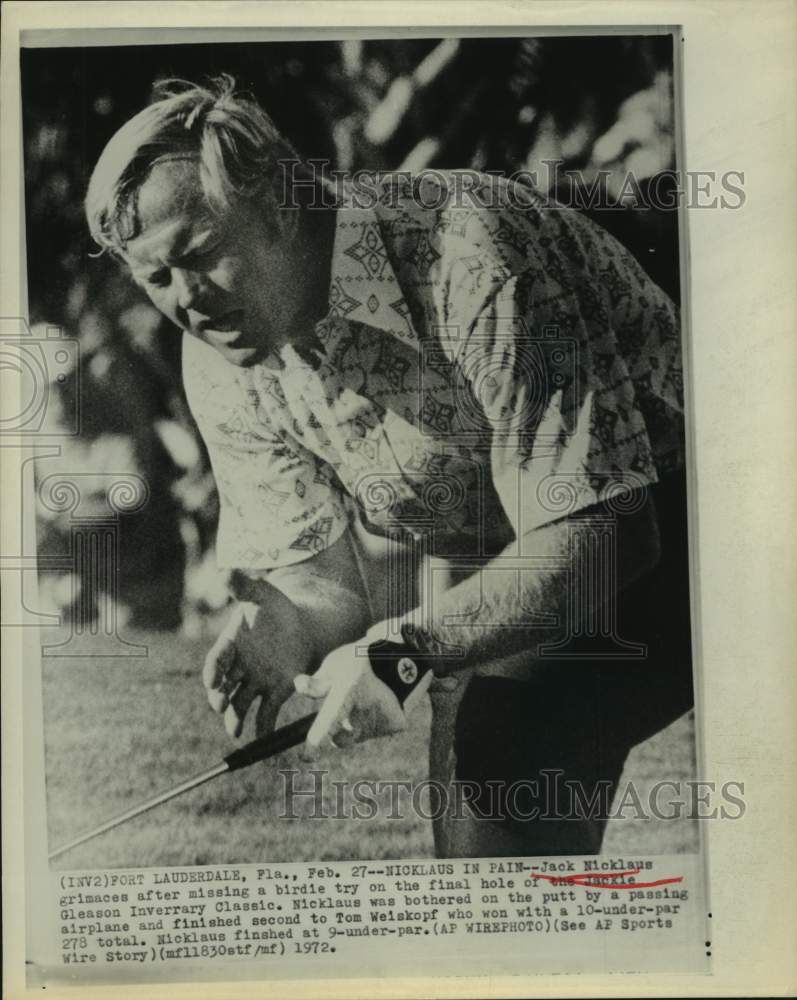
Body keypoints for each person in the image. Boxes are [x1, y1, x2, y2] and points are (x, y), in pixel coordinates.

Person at [85, 75, 693, 857]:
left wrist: (406, 648)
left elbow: (606, 538)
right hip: (509, 560)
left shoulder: (472, 248)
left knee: (501, 766)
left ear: (278, 201)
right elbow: (325, 585)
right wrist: (282, 626)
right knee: (481, 854)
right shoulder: (217, 355)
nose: (186, 301)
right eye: (154, 278)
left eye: (200, 255)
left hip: (679, 524)